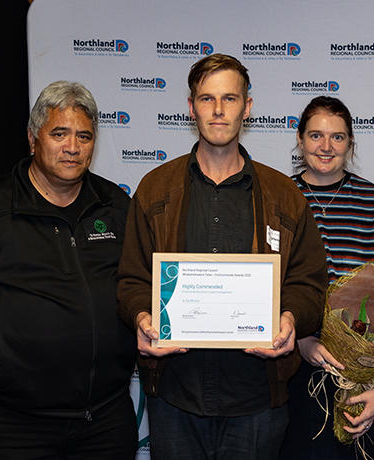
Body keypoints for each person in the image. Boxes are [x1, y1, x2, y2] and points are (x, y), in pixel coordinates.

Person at [116, 54, 328, 460]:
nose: (217, 110)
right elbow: (132, 280)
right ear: (191, 106)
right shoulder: (154, 188)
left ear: (247, 107)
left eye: (229, 98)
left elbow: (309, 283)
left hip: (256, 398)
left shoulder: (284, 193)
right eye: (206, 98)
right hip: (177, 394)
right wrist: (143, 316)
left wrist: (290, 319)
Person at [0, 81, 139, 458]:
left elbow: (134, 284)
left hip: (105, 420)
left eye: (84, 136)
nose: (72, 147)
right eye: (59, 133)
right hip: (13, 425)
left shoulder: (118, 207)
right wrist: (6, 343)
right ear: (32, 139)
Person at [278, 96, 374, 460]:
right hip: (291, 364)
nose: (326, 146)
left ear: (351, 143)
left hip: (363, 370)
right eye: (316, 135)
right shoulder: (279, 199)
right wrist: (301, 338)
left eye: (337, 137)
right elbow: (265, 284)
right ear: (300, 139)